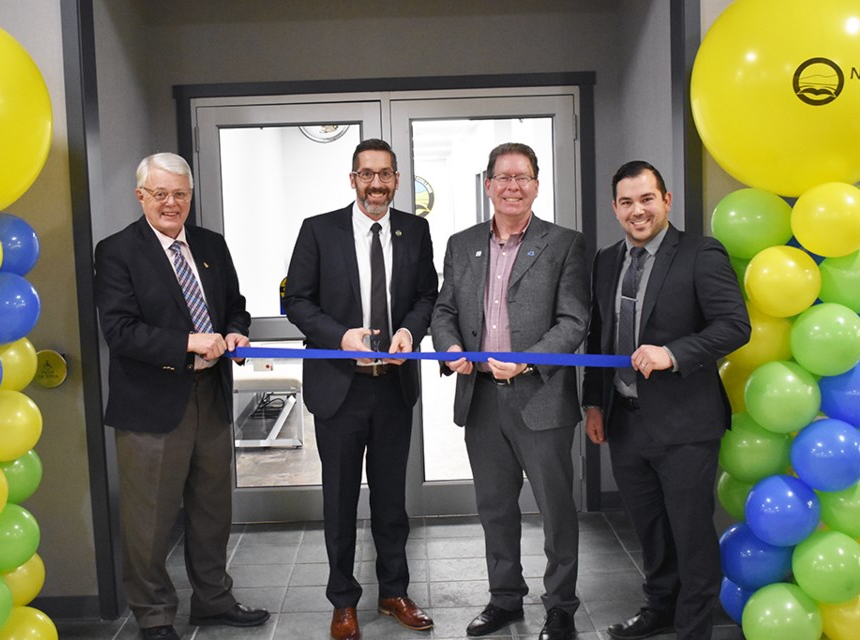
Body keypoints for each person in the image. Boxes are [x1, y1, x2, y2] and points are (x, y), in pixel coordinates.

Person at [94, 153, 269, 640]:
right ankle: (153, 615)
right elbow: (120, 331)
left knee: (213, 510)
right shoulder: (117, 251)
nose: (172, 203)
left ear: (191, 196)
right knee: (148, 519)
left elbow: (235, 307)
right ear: (141, 196)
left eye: (180, 194)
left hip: (210, 396)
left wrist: (235, 332)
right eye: (161, 194)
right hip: (151, 406)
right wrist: (188, 342)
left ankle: (213, 600)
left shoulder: (211, 244)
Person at [582, 160, 750, 640]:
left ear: (666, 200)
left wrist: (672, 353)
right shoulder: (607, 260)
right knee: (650, 530)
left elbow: (734, 326)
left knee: (691, 533)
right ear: (615, 208)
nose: (638, 211)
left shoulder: (701, 253)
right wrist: (594, 404)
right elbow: (600, 336)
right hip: (626, 422)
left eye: (647, 199)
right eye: (628, 202)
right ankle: (658, 607)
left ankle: (693, 628)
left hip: (685, 424)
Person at [430, 142, 589, 640]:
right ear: (488, 185)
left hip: (540, 398)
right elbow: (444, 311)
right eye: (503, 178)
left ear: (537, 186)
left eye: (522, 177)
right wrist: (450, 344)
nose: (513, 187)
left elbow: (574, 320)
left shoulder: (564, 243)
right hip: (480, 399)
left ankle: (560, 605)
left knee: (556, 508)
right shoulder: (462, 243)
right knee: (494, 507)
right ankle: (504, 599)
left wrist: (528, 359)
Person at [284, 138, 439, 640]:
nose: (377, 183)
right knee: (340, 502)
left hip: (393, 387)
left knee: (392, 501)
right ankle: (343, 601)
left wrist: (410, 332)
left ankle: (394, 592)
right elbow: (298, 302)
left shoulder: (415, 230)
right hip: (340, 389)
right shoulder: (318, 230)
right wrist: (339, 337)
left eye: (386, 174)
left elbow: (427, 294)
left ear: (397, 179)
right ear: (352, 180)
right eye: (367, 174)